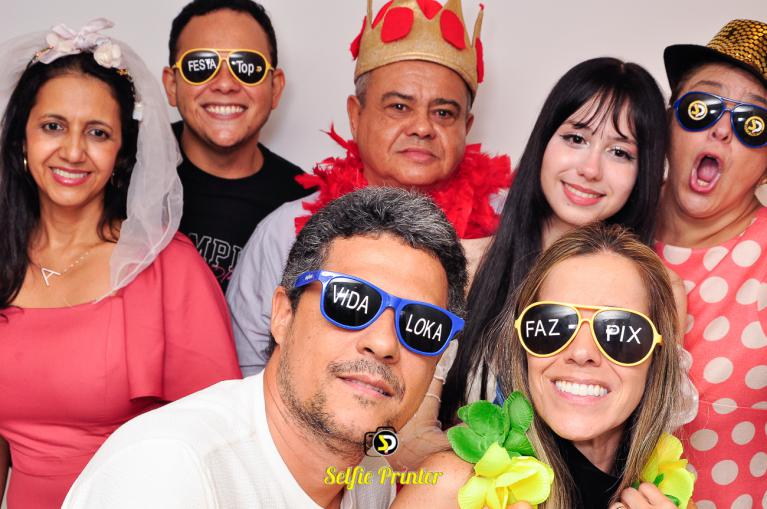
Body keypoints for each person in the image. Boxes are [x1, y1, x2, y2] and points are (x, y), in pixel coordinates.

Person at [62, 187, 468, 509]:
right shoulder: (168, 472)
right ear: (283, 315)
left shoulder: (371, 476)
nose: (382, 343)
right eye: (350, 302)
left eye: (421, 326)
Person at [0, 20, 241, 508]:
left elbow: (221, 440)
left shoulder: (167, 269)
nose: (72, 151)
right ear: (22, 139)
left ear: (121, 153)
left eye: (97, 133)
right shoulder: (4, 257)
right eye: (52, 126)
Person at [226, 0, 511, 377]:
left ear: (466, 127)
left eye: (444, 113)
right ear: (356, 115)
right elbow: (247, 373)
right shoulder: (283, 232)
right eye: (399, 107)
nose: (422, 128)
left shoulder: (510, 228)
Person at [394, 223, 691, 509]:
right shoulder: (453, 487)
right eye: (553, 326)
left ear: (658, 358)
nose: (582, 352)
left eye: (618, 332)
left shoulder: (670, 499)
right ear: (522, 346)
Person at [441, 57, 672, 422]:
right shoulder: (463, 265)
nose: (590, 169)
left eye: (620, 152)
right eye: (576, 138)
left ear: (644, 171)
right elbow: (417, 428)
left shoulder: (659, 290)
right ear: (544, 141)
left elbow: (646, 430)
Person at [655, 19, 767, 507]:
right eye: (701, 108)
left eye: (753, 124)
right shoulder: (608, 218)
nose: (721, 129)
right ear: (667, 122)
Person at [163, 0, 313, 291]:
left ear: (275, 88)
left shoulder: (304, 206)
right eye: (201, 66)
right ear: (171, 85)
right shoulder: (120, 166)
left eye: (247, 67)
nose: (225, 84)